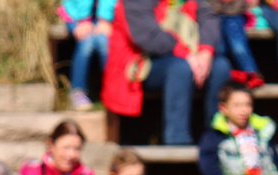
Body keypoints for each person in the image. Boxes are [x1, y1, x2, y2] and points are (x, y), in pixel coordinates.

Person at [103, 0, 231, 146]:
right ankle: (178, 142)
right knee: (180, 69)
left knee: (221, 67)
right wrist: (187, 55)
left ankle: (217, 138)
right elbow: (147, 35)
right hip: (143, 61)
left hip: (191, 56)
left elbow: (209, 18)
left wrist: (206, 52)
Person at [199, 83, 278, 175]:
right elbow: (212, 174)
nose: (243, 110)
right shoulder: (213, 137)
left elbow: (275, 167)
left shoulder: (263, 134)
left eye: (247, 105)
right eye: (237, 105)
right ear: (223, 108)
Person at [60, 0, 114, 111]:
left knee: (104, 42)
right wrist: (84, 19)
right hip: (77, 12)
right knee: (87, 42)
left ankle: (112, 89)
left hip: (107, 15)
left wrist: (105, 18)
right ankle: (78, 91)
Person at [209, 0, 264, 89]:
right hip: (212, 13)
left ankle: (251, 73)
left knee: (238, 46)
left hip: (234, 13)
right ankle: (222, 77)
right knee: (220, 48)